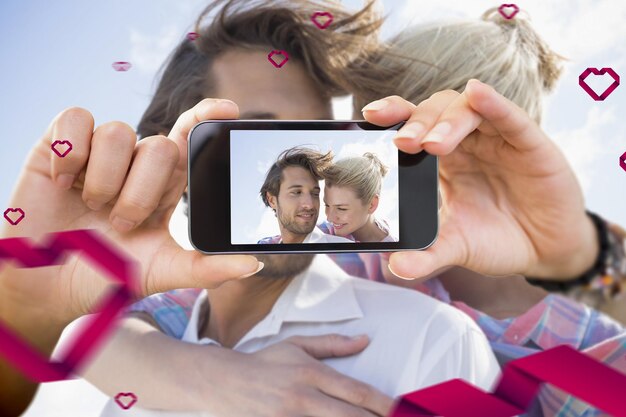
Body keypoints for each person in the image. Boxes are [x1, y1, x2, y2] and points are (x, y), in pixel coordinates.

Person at [80, 4, 626, 417]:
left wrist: (574, 253)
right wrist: (208, 375)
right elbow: (111, 330)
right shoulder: (352, 257)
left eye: (440, 139)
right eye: (380, 130)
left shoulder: (585, 343)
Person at [256, 147, 353, 244]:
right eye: (296, 192)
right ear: (272, 200)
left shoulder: (350, 254)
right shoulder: (261, 254)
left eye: (315, 194)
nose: (309, 205)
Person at [319, 152, 397, 242]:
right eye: (327, 205)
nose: (329, 218)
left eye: (341, 209)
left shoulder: (394, 253)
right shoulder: (322, 232)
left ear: (371, 204)